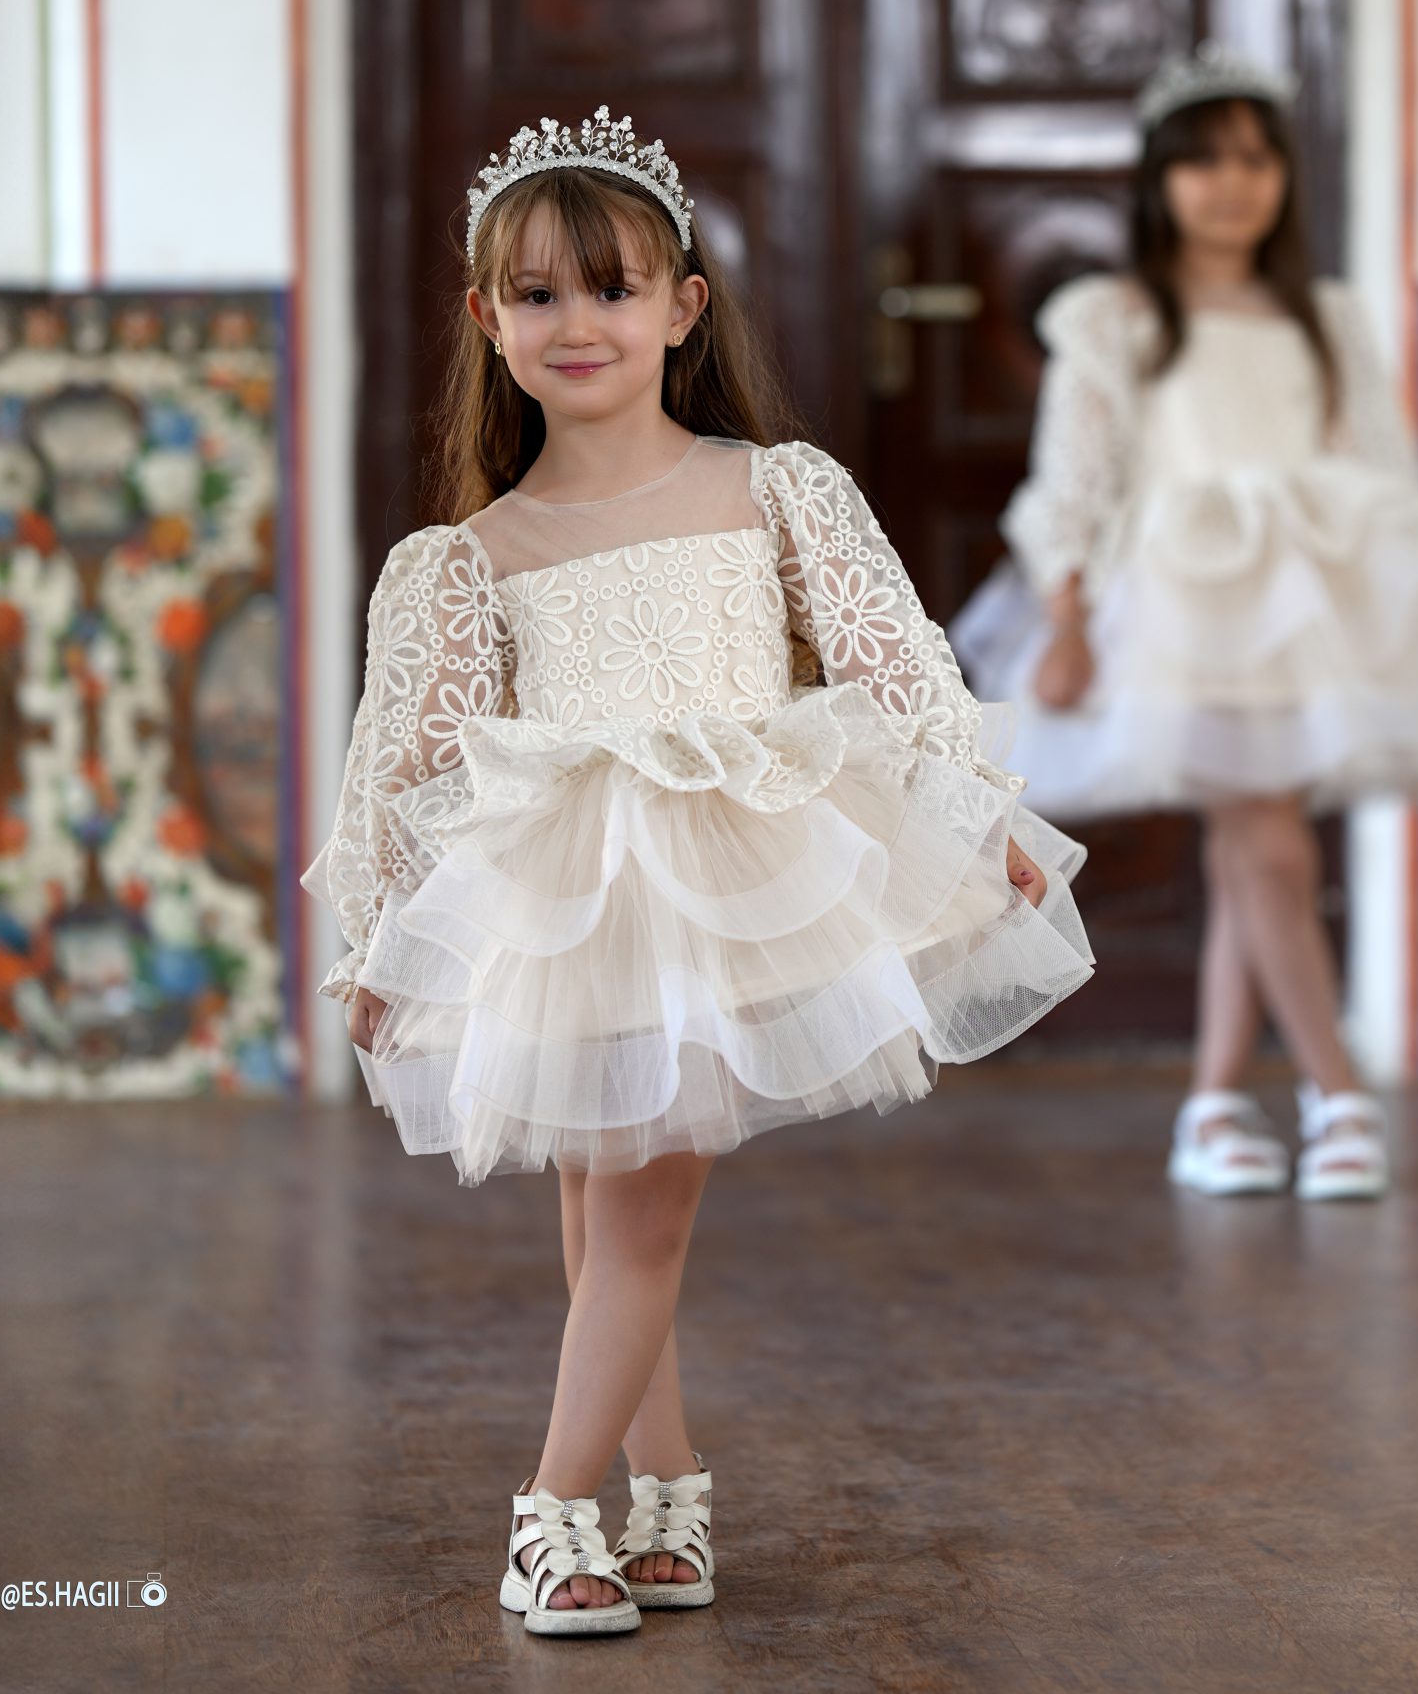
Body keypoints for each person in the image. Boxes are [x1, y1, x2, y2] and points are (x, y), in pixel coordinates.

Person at [301, 112, 1093, 1637]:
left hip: (740, 877)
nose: (577, 322)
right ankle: (665, 1489)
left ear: (683, 306)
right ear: (486, 320)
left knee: (641, 1216)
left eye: (613, 289)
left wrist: (973, 808)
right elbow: (408, 767)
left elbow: (894, 660)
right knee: (605, 1199)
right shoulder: (470, 558)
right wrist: (382, 941)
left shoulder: (776, 488)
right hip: (573, 899)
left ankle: (551, 1513)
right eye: (537, 294)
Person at [951, 46, 1418, 1205]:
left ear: (1284, 174)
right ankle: (1336, 1093)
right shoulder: (1115, 317)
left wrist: (1396, 589)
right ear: (1157, 182)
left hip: (1305, 601)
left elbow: (1377, 465)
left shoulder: (1321, 317)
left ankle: (1212, 1106)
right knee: (1269, 845)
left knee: (1255, 854)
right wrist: (1066, 621)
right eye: (1201, 163)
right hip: (1178, 605)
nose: (1230, 185)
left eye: (1253, 159)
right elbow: (1071, 483)